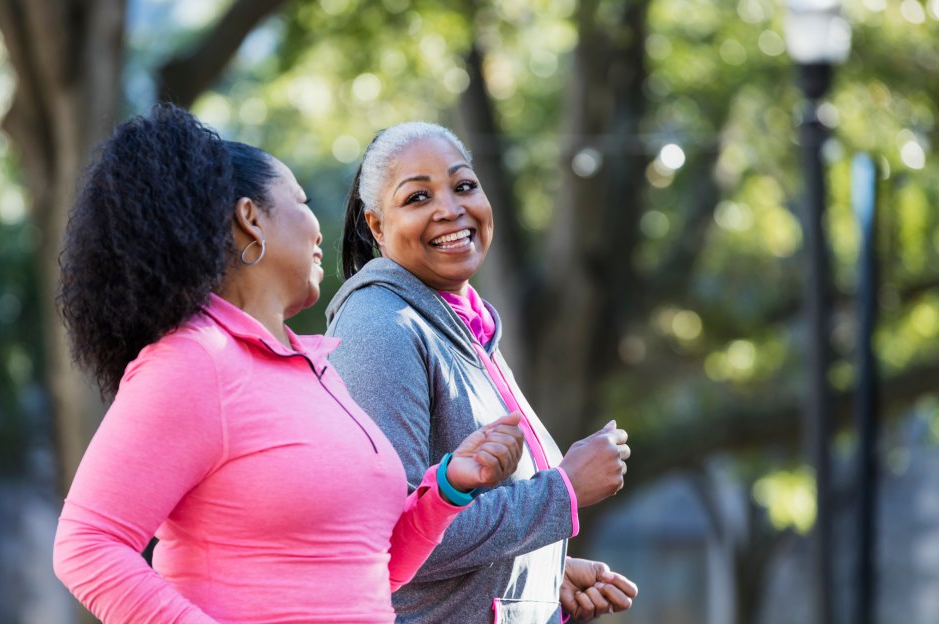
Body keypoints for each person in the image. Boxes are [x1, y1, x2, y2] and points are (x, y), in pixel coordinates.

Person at [51, 105, 526, 624]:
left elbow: (369, 568)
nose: (320, 230)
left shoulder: (315, 368)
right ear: (251, 218)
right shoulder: (193, 362)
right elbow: (87, 544)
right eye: (300, 202)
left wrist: (449, 486)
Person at [326, 121, 639, 623]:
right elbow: (394, 536)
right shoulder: (381, 325)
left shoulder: (462, 322)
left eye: (463, 185)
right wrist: (562, 492)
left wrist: (541, 572)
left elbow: (464, 527)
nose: (450, 209)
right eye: (417, 197)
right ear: (377, 226)